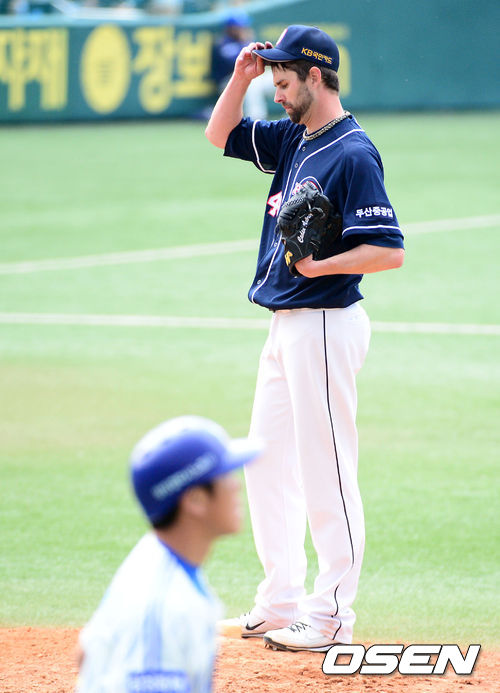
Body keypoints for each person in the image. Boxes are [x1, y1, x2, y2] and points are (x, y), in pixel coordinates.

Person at [205, 24, 405, 652]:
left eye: (284, 80)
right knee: (265, 462)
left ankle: (331, 616)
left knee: (327, 471)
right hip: (285, 325)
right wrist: (239, 77)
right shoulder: (297, 136)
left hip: (323, 323)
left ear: (316, 76)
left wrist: (320, 266)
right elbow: (221, 134)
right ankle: (280, 602)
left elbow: (388, 251)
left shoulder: (352, 153)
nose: (278, 91)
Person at [76, 415, 262, 692]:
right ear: (195, 500)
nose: (237, 485)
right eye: (224, 475)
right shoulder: (170, 607)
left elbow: (85, 652)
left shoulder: (152, 559)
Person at [210, 10, 274, 120]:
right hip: (228, 81)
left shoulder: (244, 41)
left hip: (250, 77)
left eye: (244, 26)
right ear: (230, 28)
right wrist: (246, 41)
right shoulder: (222, 43)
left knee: (280, 77)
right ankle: (256, 121)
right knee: (253, 84)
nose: (243, 29)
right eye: (239, 27)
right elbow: (240, 63)